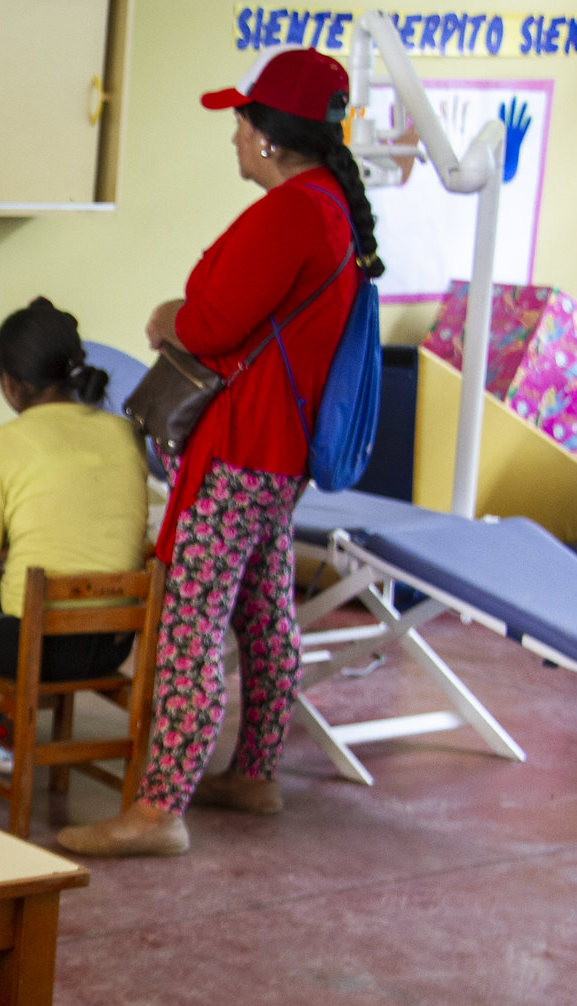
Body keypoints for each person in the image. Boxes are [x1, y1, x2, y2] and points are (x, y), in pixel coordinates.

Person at [58, 46, 381, 857]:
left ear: (271, 134)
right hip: (280, 453)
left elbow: (209, 325)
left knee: (188, 624)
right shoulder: (331, 207)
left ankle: (158, 809)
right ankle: (256, 772)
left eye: (241, 119)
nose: (234, 133)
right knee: (264, 609)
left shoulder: (292, 213)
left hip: (239, 448)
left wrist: (172, 313)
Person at [0, 298, 150, 772]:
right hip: (111, 644)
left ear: (9, 383)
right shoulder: (126, 434)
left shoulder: (0, 444)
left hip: (32, 648)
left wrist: (3, 563)